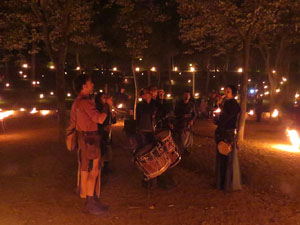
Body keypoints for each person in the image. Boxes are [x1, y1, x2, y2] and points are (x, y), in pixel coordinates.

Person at [67, 74, 108, 215]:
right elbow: (100, 119)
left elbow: (72, 123)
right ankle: (90, 203)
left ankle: (92, 199)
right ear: (84, 86)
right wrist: (107, 107)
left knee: (90, 168)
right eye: (90, 83)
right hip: (90, 138)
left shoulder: (76, 102)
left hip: (83, 138)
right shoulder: (85, 102)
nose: (92, 85)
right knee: (94, 169)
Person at [215, 85, 241, 191]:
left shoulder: (234, 105)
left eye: (228, 91)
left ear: (233, 94)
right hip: (222, 131)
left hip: (228, 132)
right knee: (222, 157)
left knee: (227, 157)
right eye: (225, 91)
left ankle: (227, 183)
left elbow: (226, 117)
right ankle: (221, 182)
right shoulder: (227, 103)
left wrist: (221, 106)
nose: (226, 93)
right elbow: (220, 116)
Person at [95, 93, 116, 173]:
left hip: (107, 132)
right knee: (102, 149)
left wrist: (113, 116)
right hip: (101, 132)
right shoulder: (99, 108)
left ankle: (106, 167)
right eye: (103, 97)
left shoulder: (107, 109)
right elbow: (99, 120)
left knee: (108, 149)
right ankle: (100, 167)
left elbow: (112, 121)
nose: (105, 99)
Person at [174, 91, 197, 156]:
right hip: (180, 123)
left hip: (188, 124)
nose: (186, 96)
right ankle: (181, 150)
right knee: (181, 137)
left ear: (189, 97)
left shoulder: (191, 105)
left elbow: (194, 114)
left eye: (188, 95)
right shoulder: (179, 104)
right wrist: (183, 115)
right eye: (185, 95)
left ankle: (185, 149)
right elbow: (175, 113)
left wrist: (192, 120)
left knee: (188, 137)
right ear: (183, 96)